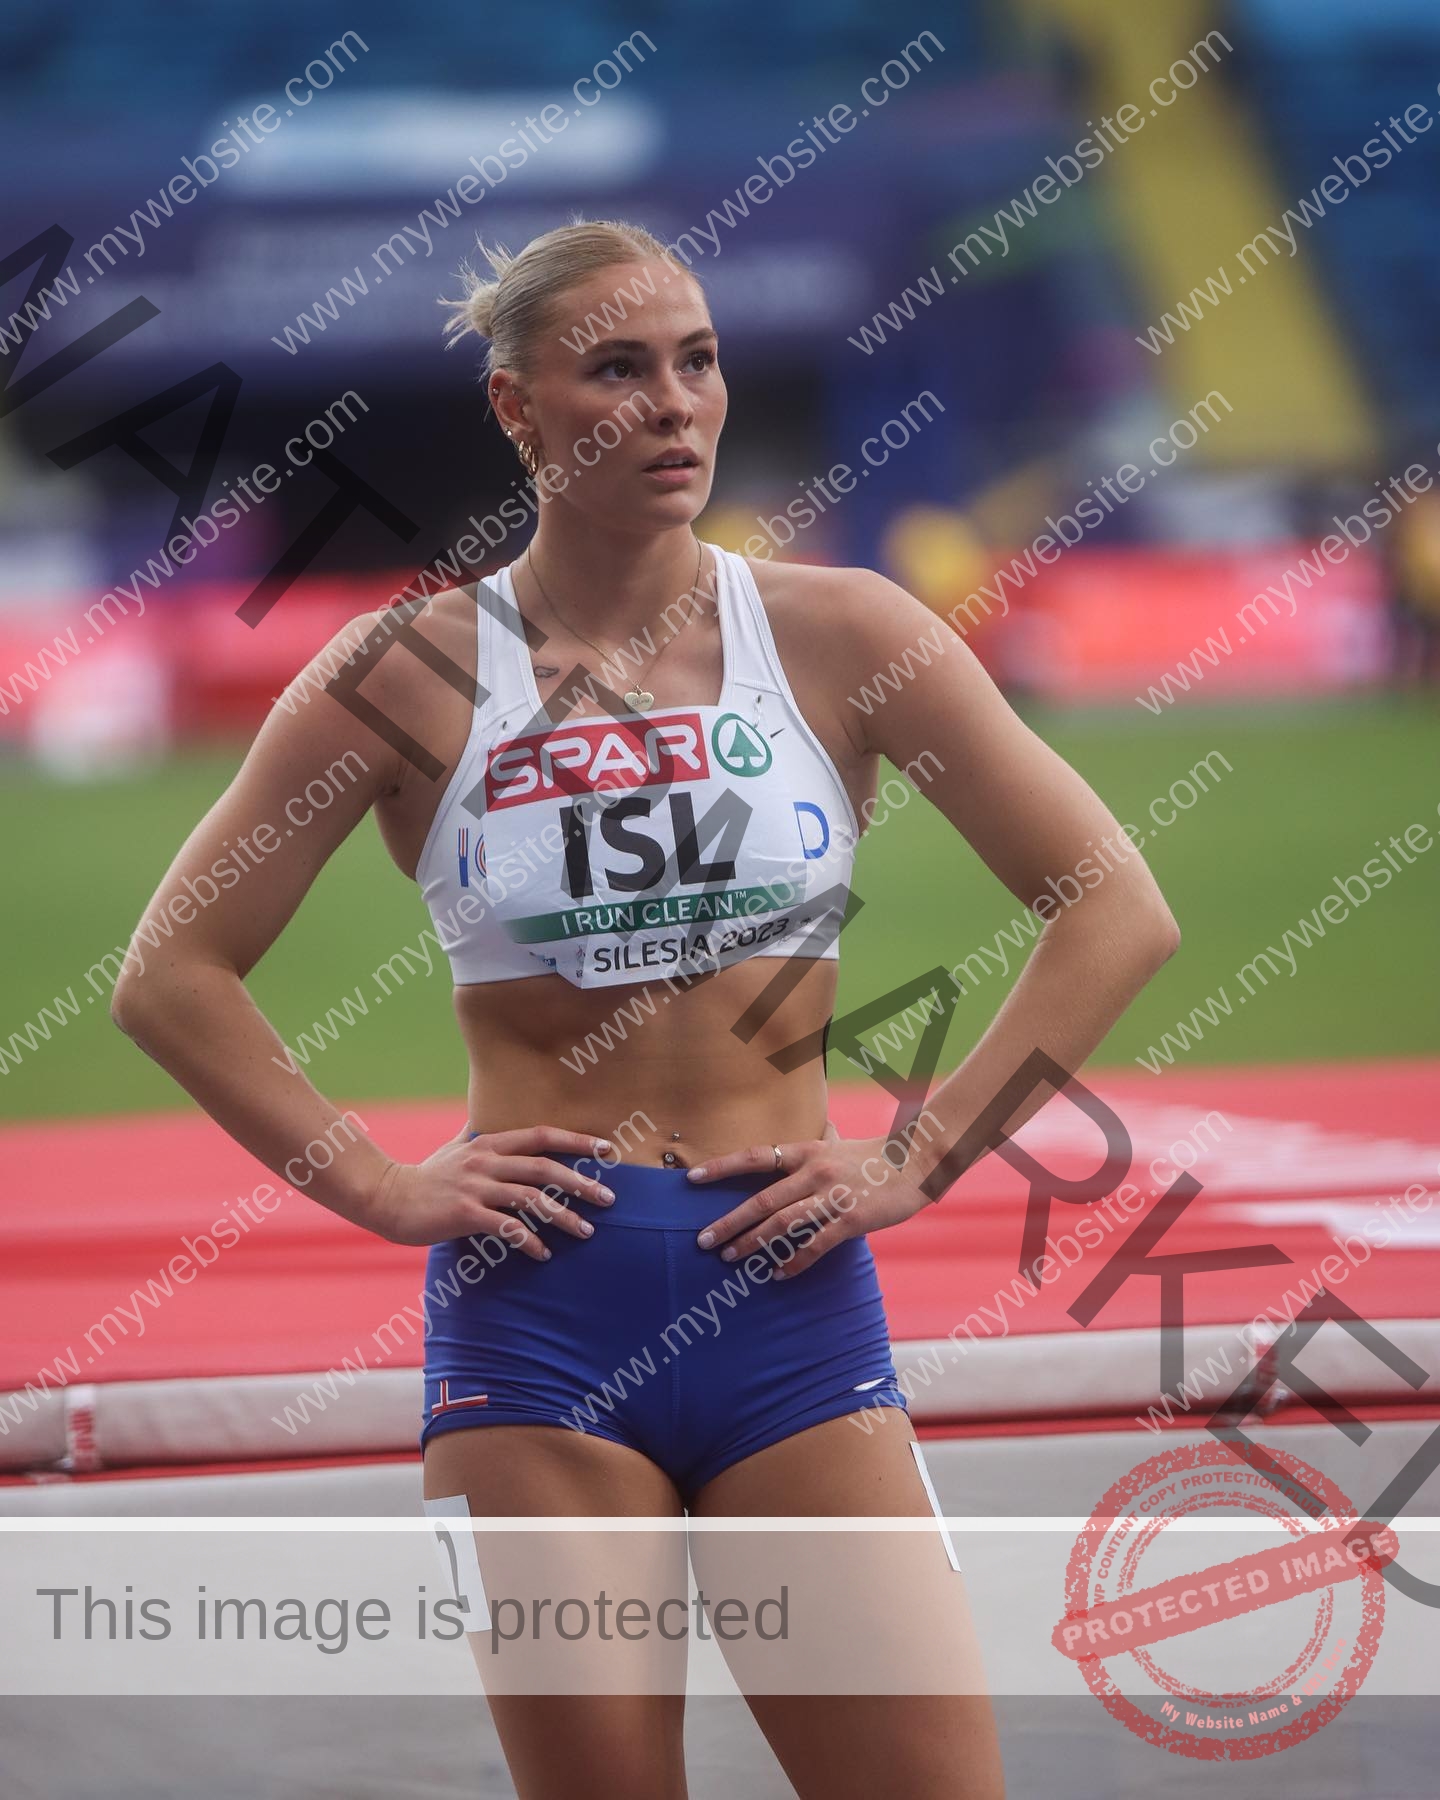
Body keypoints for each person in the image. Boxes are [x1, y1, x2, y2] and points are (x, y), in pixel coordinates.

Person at [112, 217, 1181, 1799]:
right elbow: (170, 977)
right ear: (514, 410)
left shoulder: (843, 636)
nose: (676, 404)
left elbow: (1116, 909)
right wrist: (378, 1181)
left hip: (797, 1307)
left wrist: (927, 1153)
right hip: (540, 1319)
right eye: (618, 368)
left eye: (698, 360)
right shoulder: (399, 674)